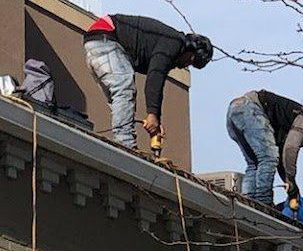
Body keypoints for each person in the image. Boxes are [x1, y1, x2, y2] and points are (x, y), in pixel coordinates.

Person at [83, 14, 213, 150]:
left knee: (120, 100)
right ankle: (124, 143)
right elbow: (155, 78)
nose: (184, 65)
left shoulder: (165, 44)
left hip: (95, 42)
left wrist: (155, 118)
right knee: (124, 90)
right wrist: (152, 115)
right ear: (190, 50)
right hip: (106, 38)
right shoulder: (174, 42)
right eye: (190, 61)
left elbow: (157, 83)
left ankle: (123, 138)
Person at [226, 89, 303, 207]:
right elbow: (290, 148)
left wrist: (292, 188)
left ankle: (248, 201)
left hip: (236, 109)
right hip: (251, 109)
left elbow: (282, 160)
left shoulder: (289, 127)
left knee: (256, 163)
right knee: (268, 158)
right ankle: (263, 201)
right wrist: (291, 180)